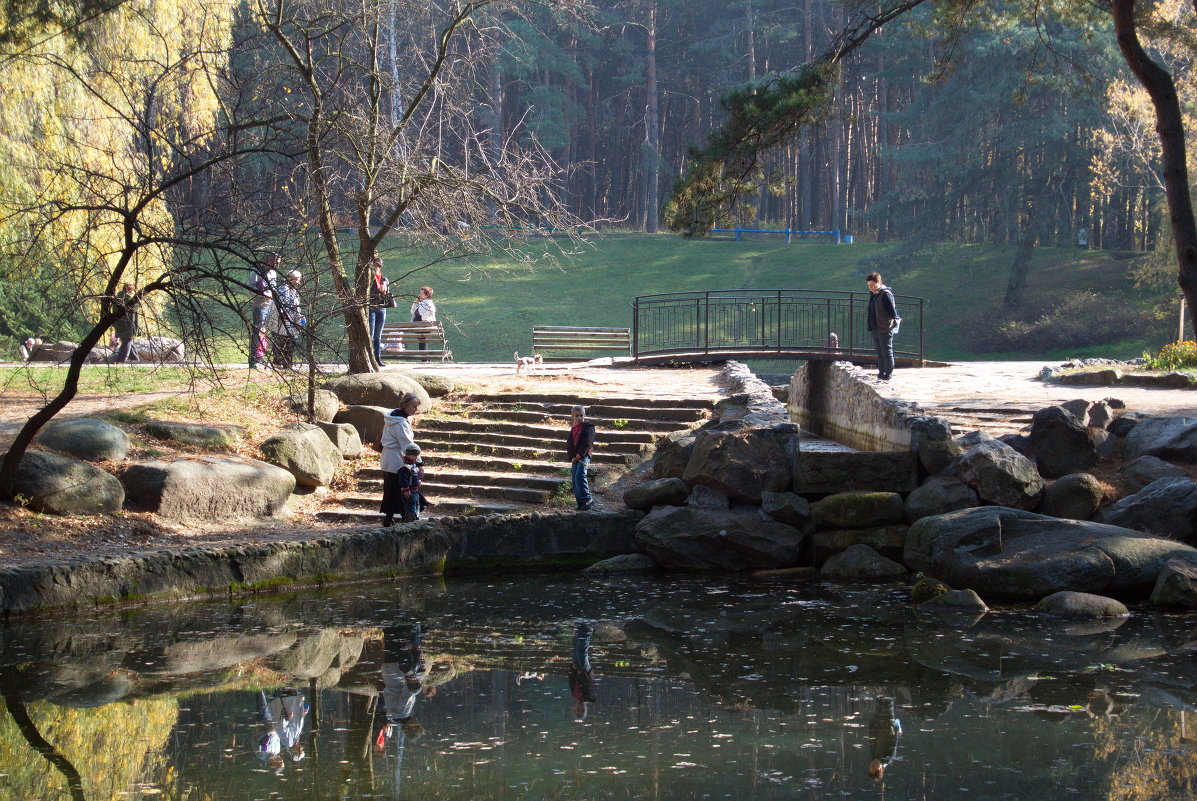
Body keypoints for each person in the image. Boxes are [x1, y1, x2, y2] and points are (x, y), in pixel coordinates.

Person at [380, 392, 421, 527]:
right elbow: (408, 445)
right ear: (405, 405)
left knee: (391, 490)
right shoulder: (400, 423)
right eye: (413, 406)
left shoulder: (393, 418)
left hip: (388, 459)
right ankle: (406, 518)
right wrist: (419, 463)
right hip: (397, 460)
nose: (415, 409)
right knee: (403, 489)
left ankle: (389, 518)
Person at [865, 271, 900, 381]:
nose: (870, 287)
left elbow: (892, 312)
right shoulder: (874, 295)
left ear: (879, 282)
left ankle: (888, 374)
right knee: (879, 352)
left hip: (884, 327)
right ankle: (881, 372)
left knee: (886, 352)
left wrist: (894, 322)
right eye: (868, 285)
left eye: (872, 285)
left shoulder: (885, 294)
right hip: (875, 327)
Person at [249, 253, 279, 369]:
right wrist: (262, 293)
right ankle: (255, 358)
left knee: (265, 331)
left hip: (270, 304)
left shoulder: (273, 273)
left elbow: (274, 288)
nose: (277, 264)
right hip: (259, 304)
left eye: (278, 262)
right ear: (268, 260)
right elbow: (250, 286)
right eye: (275, 262)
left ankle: (261, 356)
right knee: (259, 330)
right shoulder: (257, 271)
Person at [271, 269, 306, 370]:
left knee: (290, 342)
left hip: (291, 321)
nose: (299, 281)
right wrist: (287, 317)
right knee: (282, 341)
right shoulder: (284, 289)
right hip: (283, 321)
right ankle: (279, 363)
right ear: (291, 279)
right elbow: (282, 305)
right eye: (298, 279)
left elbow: (295, 305)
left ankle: (287, 364)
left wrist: (300, 316)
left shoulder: (293, 290)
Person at [566, 404, 596, 511]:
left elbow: (587, 442)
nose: (579, 418)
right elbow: (569, 444)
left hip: (584, 456)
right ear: (572, 417)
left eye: (581, 415)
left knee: (580, 475)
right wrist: (572, 457)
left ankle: (587, 500)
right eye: (576, 416)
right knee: (574, 479)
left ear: (584, 416)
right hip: (575, 457)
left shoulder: (588, 427)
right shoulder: (573, 429)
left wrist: (580, 454)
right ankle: (580, 503)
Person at [867, 697, 902, 782]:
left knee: (879, 697)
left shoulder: (874, 757)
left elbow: (873, 740)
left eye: (871, 766)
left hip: (877, 722)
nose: (873, 764)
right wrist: (896, 726)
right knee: (888, 699)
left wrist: (871, 724)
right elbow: (894, 739)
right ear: (880, 770)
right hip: (887, 722)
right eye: (874, 767)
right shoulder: (889, 758)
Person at [368, 256, 392, 362]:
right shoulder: (369, 278)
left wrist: (384, 287)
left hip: (382, 308)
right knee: (371, 334)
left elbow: (385, 288)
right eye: (375, 265)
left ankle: (377, 358)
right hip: (371, 307)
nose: (377, 267)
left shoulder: (383, 278)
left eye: (379, 265)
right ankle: (370, 357)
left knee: (378, 335)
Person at [111, 282, 139, 363]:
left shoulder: (118, 297)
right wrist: (138, 301)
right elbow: (134, 309)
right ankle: (121, 360)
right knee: (128, 340)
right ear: (130, 290)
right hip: (128, 325)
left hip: (120, 324)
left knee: (130, 342)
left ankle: (135, 360)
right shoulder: (127, 298)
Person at [397, 444, 424, 523]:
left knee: (416, 506)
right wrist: (406, 490)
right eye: (414, 456)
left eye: (416, 456)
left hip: (415, 491)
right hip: (409, 491)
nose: (415, 458)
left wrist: (418, 480)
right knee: (410, 508)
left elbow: (415, 475)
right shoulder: (404, 467)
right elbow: (403, 480)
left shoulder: (413, 465)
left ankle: (414, 519)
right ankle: (410, 522)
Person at [410, 286, 436, 351]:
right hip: (419, 326)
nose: (420, 294)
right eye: (420, 293)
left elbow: (431, 311)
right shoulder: (421, 303)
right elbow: (412, 311)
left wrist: (423, 318)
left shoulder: (428, 303)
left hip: (424, 326)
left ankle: (424, 357)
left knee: (422, 341)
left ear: (427, 295)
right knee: (421, 341)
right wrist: (416, 302)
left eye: (422, 293)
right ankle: (424, 358)